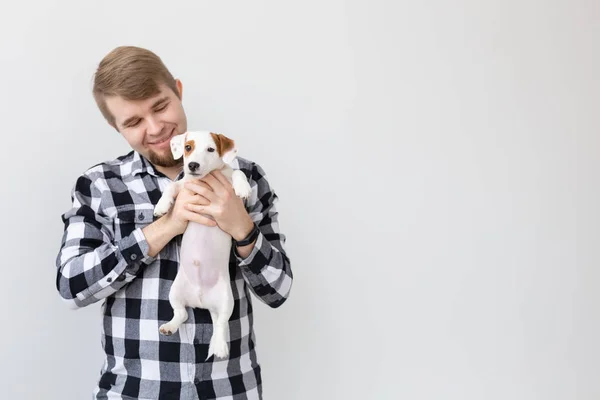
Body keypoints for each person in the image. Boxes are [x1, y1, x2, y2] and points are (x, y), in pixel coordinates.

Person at [55, 46, 293, 400]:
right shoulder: (101, 185)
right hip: (135, 392)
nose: (156, 129)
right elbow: (71, 287)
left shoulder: (247, 178)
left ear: (178, 91)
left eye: (160, 106)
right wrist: (165, 226)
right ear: (114, 125)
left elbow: (278, 290)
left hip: (229, 390)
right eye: (133, 122)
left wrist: (241, 227)